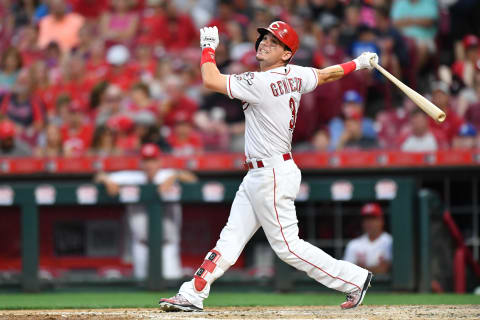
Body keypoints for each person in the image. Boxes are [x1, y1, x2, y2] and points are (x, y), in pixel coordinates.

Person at [159, 21, 377, 312]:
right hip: (262, 173)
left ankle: (354, 279)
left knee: (288, 247)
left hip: (272, 173)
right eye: (264, 38)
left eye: (274, 42)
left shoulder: (259, 82)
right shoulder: (296, 74)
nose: (264, 43)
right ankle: (192, 294)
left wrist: (208, 48)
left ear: (286, 53)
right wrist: (357, 63)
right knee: (231, 236)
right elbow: (326, 75)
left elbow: (210, 80)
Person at [95, 143, 198, 280]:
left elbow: (193, 179)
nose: (149, 165)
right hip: (141, 246)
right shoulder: (133, 177)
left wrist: (176, 176)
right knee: (141, 288)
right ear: (140, 163)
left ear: (159, 162)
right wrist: (107, 180)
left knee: (171, 285)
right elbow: (99, 176)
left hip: (167, 246)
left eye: (153, 160)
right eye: (146, 161)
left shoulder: (167, 175)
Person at [343, 203, 392, 275]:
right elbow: (347, 272)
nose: (369, 223)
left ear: (381, 221)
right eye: (366, 219)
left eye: (373, 219)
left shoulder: (389, 241)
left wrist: (360, 268)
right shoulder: (354, 244)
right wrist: (376, 268)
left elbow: (384, 270)